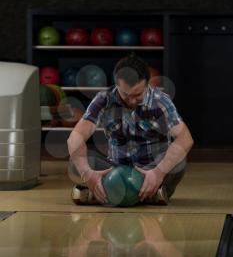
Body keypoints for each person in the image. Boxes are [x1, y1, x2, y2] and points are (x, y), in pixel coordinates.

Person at [67, 54, 194, 205]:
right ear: (117, 85)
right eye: (126, 95)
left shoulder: (160, 101)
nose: (132, 101)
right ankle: (149, 196)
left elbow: (185, 139)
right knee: (75, 162)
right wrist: (88, 174)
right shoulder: (104, 99)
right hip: (114, 168)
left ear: (147, 84)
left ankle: (107, 193)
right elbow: (75, 137)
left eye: (138, 95)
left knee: (178, 162)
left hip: (151, 170)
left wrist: (158, 173)